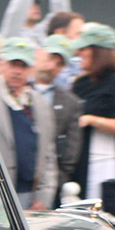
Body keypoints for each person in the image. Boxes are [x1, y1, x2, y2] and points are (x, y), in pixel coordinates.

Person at [0, 39, 58, 209]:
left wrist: (43, 197)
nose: (17, 71)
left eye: (23, 66)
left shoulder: (38, 102)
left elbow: (49, 154)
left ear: (31, 69)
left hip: (28, 195)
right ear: (2, 63)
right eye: (13, 64)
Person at [68, 23, 115, 219]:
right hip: (81, 164)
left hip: (106, 167)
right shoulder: (80, 84)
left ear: (97, 52)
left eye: (84, 49)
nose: (79, 53)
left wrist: (91, 120)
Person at [32, 35, 83, 193]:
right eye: (51, 57)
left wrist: (52, 186)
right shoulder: (17, 87)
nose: (53, 65)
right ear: (39, 52)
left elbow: (70, 152)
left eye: (60, 63)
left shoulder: (70, 102)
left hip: (47, 184)